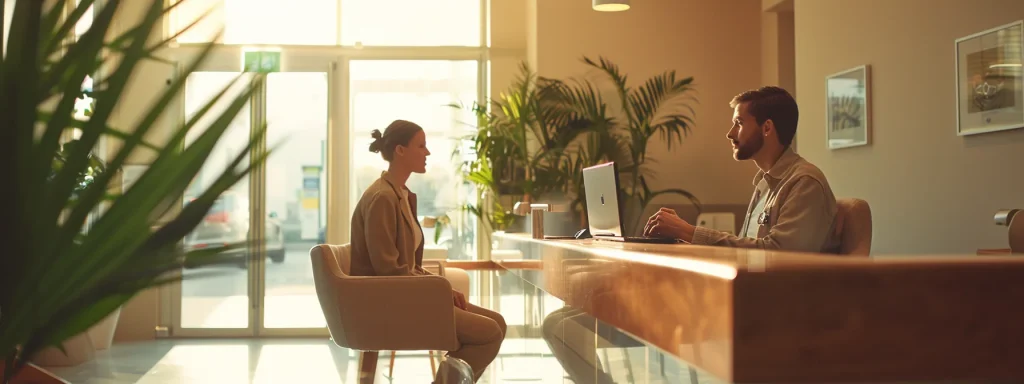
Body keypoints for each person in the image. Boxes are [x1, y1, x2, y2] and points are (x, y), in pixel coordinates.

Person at [349, 119, 507, 382]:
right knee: (489, 332)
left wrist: (440, 286)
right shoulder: (382, 198)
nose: (428, 152)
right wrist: (439, 290)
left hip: (409, 297)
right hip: (392, 304)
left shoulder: (399, 194)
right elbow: (388, 271)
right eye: (421, 145)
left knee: (497, 323)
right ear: (400, 150)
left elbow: (405, 267)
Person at [644, 86, 841, 253]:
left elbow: (778, 256)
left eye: (738, 123)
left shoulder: (804, 182)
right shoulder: (765, 184)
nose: (730, 134)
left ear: (767, 128)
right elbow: (746, 251)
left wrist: (688, 232)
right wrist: (681, 238)